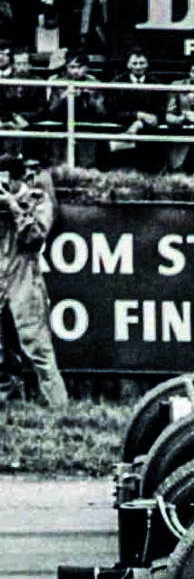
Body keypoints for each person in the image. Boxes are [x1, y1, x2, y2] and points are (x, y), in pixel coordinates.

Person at [0, 152, 64, 407]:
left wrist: (15, 207)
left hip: (24, 274)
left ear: (19, 180)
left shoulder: (38, 199)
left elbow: (35, 238)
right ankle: (7, 402)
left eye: (6, 182)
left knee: (38, 347)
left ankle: (58, 405)